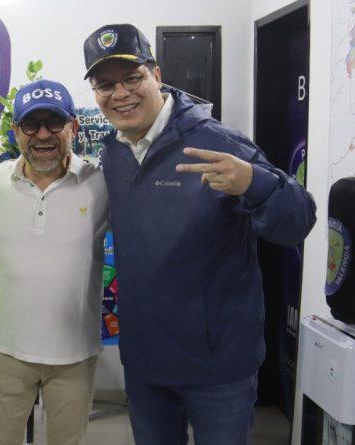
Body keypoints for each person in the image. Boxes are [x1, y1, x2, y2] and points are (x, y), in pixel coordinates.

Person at [81, 24, 317, 444]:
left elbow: (299, 221)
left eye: (132, 78)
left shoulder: (217, 142)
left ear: (156, 75)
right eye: (105, 85)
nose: (120, 94)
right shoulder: (113, 153)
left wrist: (256, 184)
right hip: (146, 366)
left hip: (218, 370)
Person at [0, 79, 108, 445]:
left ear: (74, 127)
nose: (43, 135)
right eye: (31, 124)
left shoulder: (100, 183)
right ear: (15, 130)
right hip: (7, 350)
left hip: (74, 354)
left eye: (54, 122)